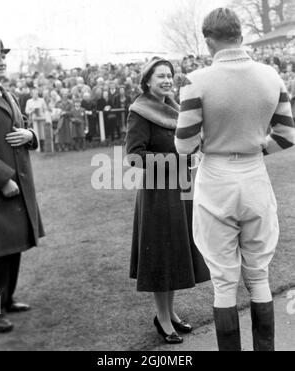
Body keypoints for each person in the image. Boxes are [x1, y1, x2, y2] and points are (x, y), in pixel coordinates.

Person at [175, 8, 295, 351]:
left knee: (224, 283)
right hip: (255, 173)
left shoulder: (197, 80)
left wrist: (209, 144)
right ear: (240, 35)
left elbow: (184, 146)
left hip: (216, 177)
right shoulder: (271, 75)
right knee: (258, 276)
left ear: (209, 40)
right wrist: (257, 148)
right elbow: (287, 135)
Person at [126, 58, 210, 345]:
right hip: (158, 194)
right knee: (161, 256)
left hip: (180, 189)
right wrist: (175, 161)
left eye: (169, 75)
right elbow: (134, 156)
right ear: (147, 80)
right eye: (160, 75)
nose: (166, 80)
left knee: (174, 253)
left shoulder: (174, 108)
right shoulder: (140, 111)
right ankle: (161, 319)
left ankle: (170, 313)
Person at [0, 38, 45, 333]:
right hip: (1, 187)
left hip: (18, 185)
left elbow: (24, 127)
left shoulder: (6, 93)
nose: (1, 61)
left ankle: (7, 299)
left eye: (2, 57)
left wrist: (29, 134)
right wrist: (2, 180)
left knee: (12, 247)